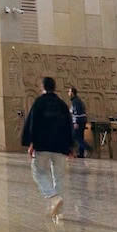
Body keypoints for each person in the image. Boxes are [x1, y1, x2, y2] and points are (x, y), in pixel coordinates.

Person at [20, 76, 75, 222]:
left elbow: (32, 123)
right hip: (60, 146)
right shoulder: (62, 105)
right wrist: (70, 146)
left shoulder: (39, 103)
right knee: (59, 177)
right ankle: (59, 212)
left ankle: (53, 197)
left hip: (43, 145)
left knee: (38, 172)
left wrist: (30, 142)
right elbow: (69, 125)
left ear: (42, 87)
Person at [68, 86, 88, 159]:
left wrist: (76, 122)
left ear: (72, 93)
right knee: (80, 137)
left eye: (69, 91)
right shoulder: (76, 100)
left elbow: (77, 112)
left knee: (75, 136)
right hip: (82, 120)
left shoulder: (75, 101)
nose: (68, 93)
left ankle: (87, 148)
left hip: (79, 121)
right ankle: (81, 153)